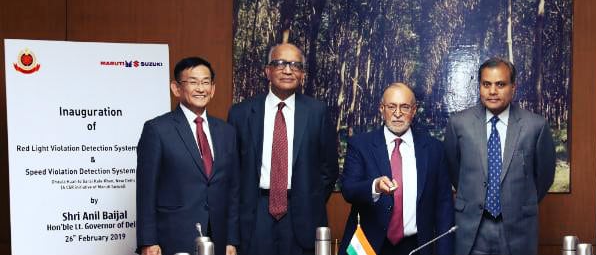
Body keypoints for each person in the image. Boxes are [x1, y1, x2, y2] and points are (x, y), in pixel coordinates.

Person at [228, 43, 338, 255]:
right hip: (256, 213)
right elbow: (233, 170)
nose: (288, 70)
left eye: (295, 65)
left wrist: (309, 198)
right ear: (267, 71)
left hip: (302, 213)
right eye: (280, 63)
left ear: (302, 74)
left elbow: (329, 169)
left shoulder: (317, 112)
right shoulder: (241, 113)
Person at [444, 57, 556, 255]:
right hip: (472, 227)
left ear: (513, 88)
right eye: (486, 84)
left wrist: (517, 202)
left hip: (518, 228)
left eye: (500, 84)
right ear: (479, 87)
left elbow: (544, 177)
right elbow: (454, 170)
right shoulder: (458, 124)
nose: (493, 91)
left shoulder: (535, 126)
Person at [136, 57, 239, 255]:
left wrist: (232, 239)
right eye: (193, 82)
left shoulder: (227, 132)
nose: (200, 88)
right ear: (176, 88)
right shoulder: (157, 130)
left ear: (213, 89)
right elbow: (146, 191)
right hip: (174, 237)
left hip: (218, 238)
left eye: (206, 82)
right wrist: (148, 241)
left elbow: (233, 190)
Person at [339, 83, 455, 255]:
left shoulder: (434, 149)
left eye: (405, 107)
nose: (398, 113)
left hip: (417, 246)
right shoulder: (360, 145)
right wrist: (375, 186)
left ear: (414, 110)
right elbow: (349, 190)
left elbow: (444, 205)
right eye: (392, 106)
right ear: (382, 109)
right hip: (368, 246)